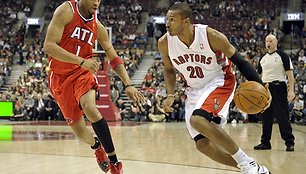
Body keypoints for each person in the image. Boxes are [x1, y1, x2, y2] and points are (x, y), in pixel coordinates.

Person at [158, 2, 271, 174]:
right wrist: (171, 94)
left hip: (219, 81)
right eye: (167, 19)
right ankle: (251, 168)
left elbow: (240, 62)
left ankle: (246, 163)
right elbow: (168, 69)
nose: (167, 24)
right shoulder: (164, 42)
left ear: (186, 21)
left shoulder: (210, 35)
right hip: (193, 89)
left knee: (197, 120)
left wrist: (262, 86)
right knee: (203, 145)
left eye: (172, 20)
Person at [43, 0, 145, 173]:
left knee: (90, 108)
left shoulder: (98, 26)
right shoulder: (66, 11)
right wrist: (81, 61)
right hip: (60, 77)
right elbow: (49, 46)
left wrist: (128, 84)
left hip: (83, 73)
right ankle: (97, 146)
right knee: (80, 132)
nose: (97, 2)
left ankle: (114, 162)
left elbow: (113, 57)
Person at [254, 34, 295, 152]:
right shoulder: (262, 58)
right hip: (265, 89)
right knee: (266, 117)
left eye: (271, 41)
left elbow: (290, 74)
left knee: (282, 116)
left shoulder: (283, 56)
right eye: (267, 41)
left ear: (276, 42)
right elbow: (260, 75)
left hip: (279, 87)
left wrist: (291, 90)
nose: (268, 43)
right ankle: (265, 142)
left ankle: (289, 142)